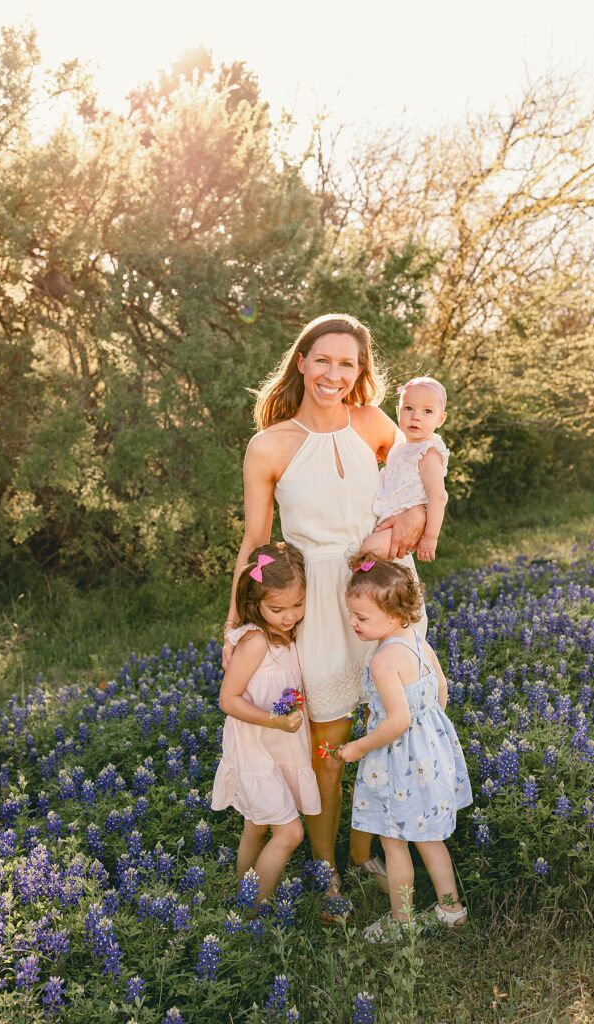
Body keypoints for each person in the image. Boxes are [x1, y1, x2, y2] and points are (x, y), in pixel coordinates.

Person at [222, 313, 427, 916]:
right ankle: (327, 867)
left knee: (394, 720)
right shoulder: (270, 445)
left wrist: (412, 523)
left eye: (347, 363)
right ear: (302, 363)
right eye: (323, 360)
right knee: (327, 746)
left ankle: (368, 851)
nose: (333, 373)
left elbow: (420, 475)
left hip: (380, 587)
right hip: (315, 595)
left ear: (360, 372)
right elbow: (255, 541)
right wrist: (236, 623)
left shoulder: (373, 424)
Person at [337, 555, 472, 942]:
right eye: (351, 613)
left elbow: (396, 722)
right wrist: (428, 738)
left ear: (394, 615)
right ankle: (451, 908)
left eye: (361, 617)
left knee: (393, 841)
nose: (353, 622)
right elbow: (441, 688)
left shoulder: (383, 660)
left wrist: (358, 748)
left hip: (396, 764)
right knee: (430, 838)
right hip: (429, 755)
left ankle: (402, 920)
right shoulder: (416, 640)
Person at [212, 542, 321, 904]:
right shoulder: (256, 641)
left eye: (297, 605)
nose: (289, 616)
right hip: (258, 748)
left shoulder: (288, 634)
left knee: (257, 826)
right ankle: (250, 910)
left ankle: (242, 891)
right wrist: (274, 720)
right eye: (277, 608)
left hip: (278, 747)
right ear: (254, 603)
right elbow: (228, 700)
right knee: (289, 833)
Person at [360, 376, 449, 563]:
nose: (416, 416)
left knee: (368, 555)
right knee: (369, 558)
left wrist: (430, 537)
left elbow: (438, 497)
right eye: (408, 408)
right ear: (398, 412)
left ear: (440, 419)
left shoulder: (428, 453)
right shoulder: (401, 443)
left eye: (427, 411)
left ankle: (361, 581)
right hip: (386, 516)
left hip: (401, 521)